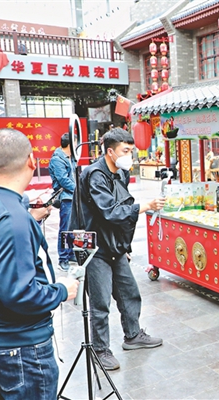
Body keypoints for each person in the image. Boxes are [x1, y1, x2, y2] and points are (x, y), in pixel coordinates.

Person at [0, 128, 78, 399]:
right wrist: (61, 290)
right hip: (18, 348)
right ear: (32, 162)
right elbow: (19, 293)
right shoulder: (13, 218)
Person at [74, 127, 166, 370]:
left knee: (129, 292)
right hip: (95, 248)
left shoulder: (120, 173)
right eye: (125, 151)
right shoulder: (95, 175)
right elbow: (110, 212)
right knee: (100, 302)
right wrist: (145, 206)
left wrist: (125, 245)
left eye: (131, 151)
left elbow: (121, 208)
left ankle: (133, 335)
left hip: (115, 244)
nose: (129, 156)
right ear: (110, 151)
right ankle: (100, 350)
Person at [49, 133, 76, 271]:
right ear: (70, 144)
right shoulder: (57, 159)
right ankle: (63, 258)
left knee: (72, 228)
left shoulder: (70, 157)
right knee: (65, 229)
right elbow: (63, 180)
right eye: (75, 142)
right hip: (66, 197)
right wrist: (78, 190)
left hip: (73, 196)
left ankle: (70, 253)